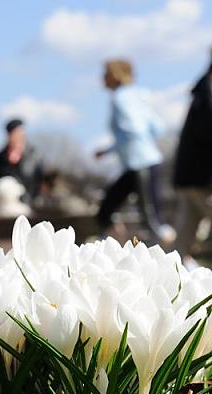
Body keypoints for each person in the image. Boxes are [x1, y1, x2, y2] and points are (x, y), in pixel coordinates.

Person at [94, 58, 174, 244]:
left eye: (106, 75)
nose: (102, 79)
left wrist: (111, 149)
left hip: (141, 164)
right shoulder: (138, 95)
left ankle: (178, 256)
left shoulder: (120, 98)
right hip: (143, 163)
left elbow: (134, 129)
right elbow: (157, 127)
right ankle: (113, 242)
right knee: (109, 209)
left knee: (151, 220)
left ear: (114, 76)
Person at [173, 53, 212, 266]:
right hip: (200, 178)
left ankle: (174, 275)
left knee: (183, 238)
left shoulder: (201, 91)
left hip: (190, 176)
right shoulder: (206, 94)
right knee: (184, 235)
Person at [0, 119, 43, 203]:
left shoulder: (35, 157)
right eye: (15, 133)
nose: (18, 136)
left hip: (28, 207)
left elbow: (38, 184)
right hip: (2, 207)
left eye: (20, 132)